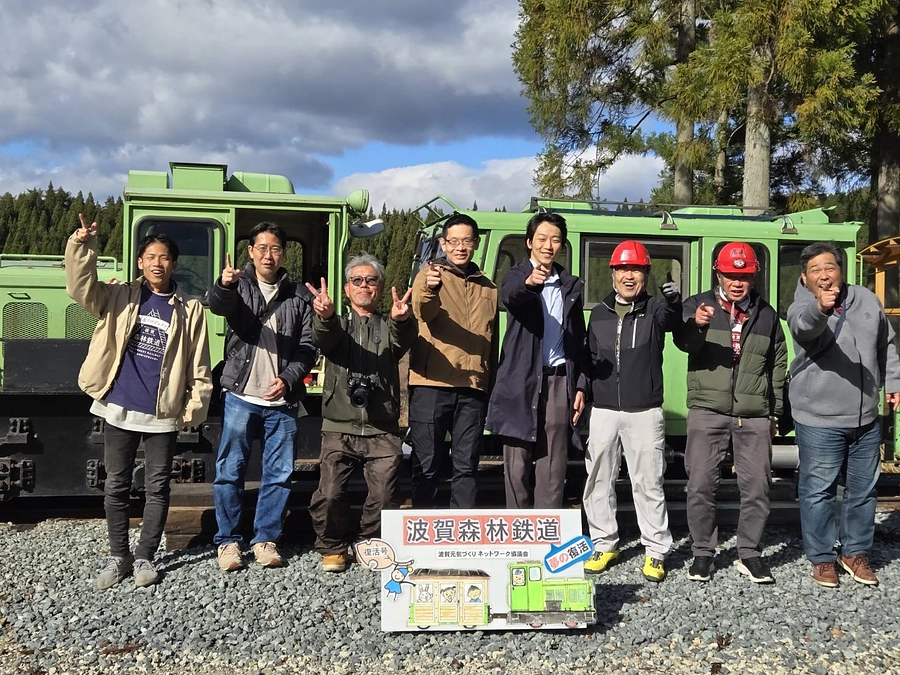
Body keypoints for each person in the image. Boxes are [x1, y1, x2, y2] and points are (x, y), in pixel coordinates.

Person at [66, 214, 212, 590]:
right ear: (140, 262)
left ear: (173, 264)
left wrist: (191, 410)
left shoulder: (190, 310)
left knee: (157, 487)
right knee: (115, 484)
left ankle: (145, 555)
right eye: (150, 256)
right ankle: (119, 557)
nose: (157, 263)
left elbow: (199, 363)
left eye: (164, 257)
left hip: (162, 412)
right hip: (118, 404)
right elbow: (80, 287)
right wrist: (82, 246)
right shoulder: (118, 296)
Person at [787, 241, 900, 588]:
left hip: (865, 415)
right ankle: (822, 557)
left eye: (830, 267)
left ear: (841, 269)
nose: (825, 274)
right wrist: (822, 309)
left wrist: (893, 381)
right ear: (805, 278)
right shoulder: (802, 305)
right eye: (816, 270)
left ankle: (855, 552)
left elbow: (887, 343)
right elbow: (803, 328)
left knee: (863, 490)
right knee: (818, 490)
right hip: (819, 417)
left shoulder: (866, 299)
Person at [675, 242, 786, 584]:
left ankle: (749, 553)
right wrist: (696, 325)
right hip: (708, 409)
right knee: (700, 485)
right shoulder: (699, 304)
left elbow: (778, 362)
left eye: (745, 275)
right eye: (730, 275)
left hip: (753, 412)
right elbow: (684, 343)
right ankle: (703, 552)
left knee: (757, 486)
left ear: (753, 276)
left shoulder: (766, 313)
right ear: (718, 274)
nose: (737, 282)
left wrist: (776, 411)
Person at [209, 222, 315, 572]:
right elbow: (218, 306)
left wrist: (288, 379)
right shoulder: (237, 285)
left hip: (281, 401)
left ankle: (266, 540)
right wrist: (224, 285)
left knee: (279, 474)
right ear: (251, 252)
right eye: (262, 248)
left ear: (284, 253)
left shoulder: (299, 295)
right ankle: (227, 542)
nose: (269, 255)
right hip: (241, 394)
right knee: (229, 471)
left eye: (276, 248)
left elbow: (308, 347)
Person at [305, 254, 417, 572]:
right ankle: (333, 547)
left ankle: (370, 544)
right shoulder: (338, 324)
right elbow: (324, 339)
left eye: (371, 280)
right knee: (329, 493)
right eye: (357, 280)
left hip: (382, 425)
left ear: (380, 288)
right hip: (339, 423)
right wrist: (324, 316)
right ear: (346, 289)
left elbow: (402, 339)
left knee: (384, 495)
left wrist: (401, 320)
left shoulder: (387, 325)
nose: (364, 285)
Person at [582, 241, 680, 582]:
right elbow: (588, 359)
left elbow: (671, 320)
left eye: (635, 269)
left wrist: (674, 300)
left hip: (644, 410)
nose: (628, 275)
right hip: (604, 408)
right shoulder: (598, 313)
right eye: (622, 269)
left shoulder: (654, 309)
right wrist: (583, 390)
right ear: (612, 273)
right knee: (598, 479)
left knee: (648, 481)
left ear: (645, 274)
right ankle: (604, 542)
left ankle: (655, 550)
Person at [485, 212, 587, 509]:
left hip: (559, 380)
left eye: (555, 240)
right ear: (529, 243)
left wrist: (580, 384)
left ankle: (548, 529)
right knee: (516, 464)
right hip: (520, 378)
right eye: (541, 239)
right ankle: (519, 532)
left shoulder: (569, 285)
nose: (548, 245)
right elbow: (511, 296)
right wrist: (531, 283)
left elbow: (578, 339)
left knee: (553, 463)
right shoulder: (517, 275)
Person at [408, 213, 497, 508]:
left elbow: (491, 338)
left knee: (467, 465)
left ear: (476, 244)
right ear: (443, 244)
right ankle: (422, 531)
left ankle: (462, 530)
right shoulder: (430, 275)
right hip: (432, 384)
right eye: (454, 241)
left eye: (467, 241)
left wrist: (489, 381)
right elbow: (423, 311)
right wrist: (429, 288)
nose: (461, 247)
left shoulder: (488, 286)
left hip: (473, 387)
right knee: (427, 464)